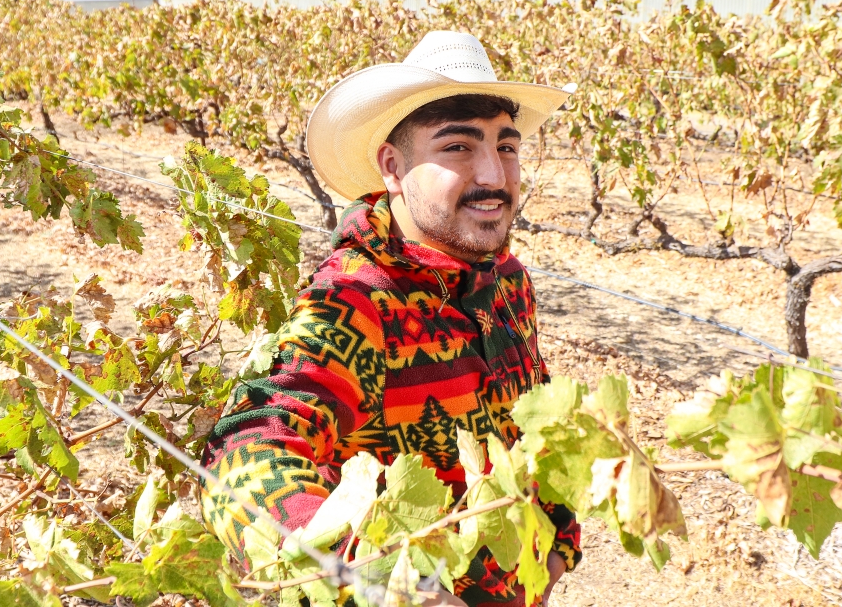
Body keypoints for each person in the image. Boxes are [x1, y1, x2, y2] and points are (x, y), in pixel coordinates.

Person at [201, 31, 581, 606]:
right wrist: (382, 586)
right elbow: (245, 454)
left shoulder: (507, 283)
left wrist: (556, 544)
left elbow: (536, 423)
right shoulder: (356, 301)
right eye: (458, 147)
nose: (494, 176)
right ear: (392, 167)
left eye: (506, 146)